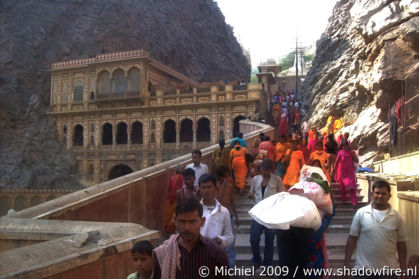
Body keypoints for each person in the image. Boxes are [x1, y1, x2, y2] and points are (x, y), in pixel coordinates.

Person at [344, 180, 407, 277]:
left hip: (389, 272)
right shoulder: (361, 213)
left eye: (383, 194)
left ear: (389, 196)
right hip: (363, 271)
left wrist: (403, 270)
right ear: (372, 194)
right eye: (377, 193)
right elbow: (352, 239)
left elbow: (401, 244)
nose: (380, 196)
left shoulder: (396, 217)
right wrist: (346, 265)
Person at [153, 198, 229, 278]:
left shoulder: (216, 253)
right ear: (175, 221)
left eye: (192, 222)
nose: (187, 228)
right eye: (182, 222)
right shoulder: (164, 253)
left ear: (202, 222)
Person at [248, 159, 284, 267]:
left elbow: (283, 194)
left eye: (267, 170)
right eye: (263, 170)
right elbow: (251, 191)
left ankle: (267, 263)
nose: (264, 172)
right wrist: (250, 195)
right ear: (261, 169)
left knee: (269, 239)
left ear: (271, 170)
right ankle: (256, 259)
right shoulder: (256, 179)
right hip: (258, 212)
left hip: (271, 214)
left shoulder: (277, 180)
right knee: (254, 238)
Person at [198, 174, 234, 266]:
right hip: (198, 254)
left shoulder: (224, 211)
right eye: (203, 187)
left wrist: (220, 240)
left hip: (216, 255)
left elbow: (229, 236)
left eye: (209, 187)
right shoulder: (195, 210)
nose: (206, 191)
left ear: (216, 188)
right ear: (199, 190)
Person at [215, 166, 239, 267]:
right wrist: (223, 185)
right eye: (225, 177)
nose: (226, 178)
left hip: (229, 216)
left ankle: (231, 266)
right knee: (219, 244)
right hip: (218, 217)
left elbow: (232, 200)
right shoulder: (214, 186)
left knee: (230, 243)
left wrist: (237, 216)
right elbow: (218, 200)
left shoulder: (230, 185)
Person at [333, 140, 358, 205]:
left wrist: (353, 153)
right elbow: (336, 162)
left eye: (345, 145)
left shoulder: (351, 152)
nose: (344, 147)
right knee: (342, 187)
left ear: (348, 145)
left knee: (352, 186)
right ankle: (343, 199)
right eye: (343, 146)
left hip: (350, 172)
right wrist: (333, 170)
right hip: (342, 172)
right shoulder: (340, 152)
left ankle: (354, 202)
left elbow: (357, 160)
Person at [165, 164, 185, 235]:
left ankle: (170, 233)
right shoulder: (184, 178)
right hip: (179, 200)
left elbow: (169, 189)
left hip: (171, 200)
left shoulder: (172, 178)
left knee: (171, 217)